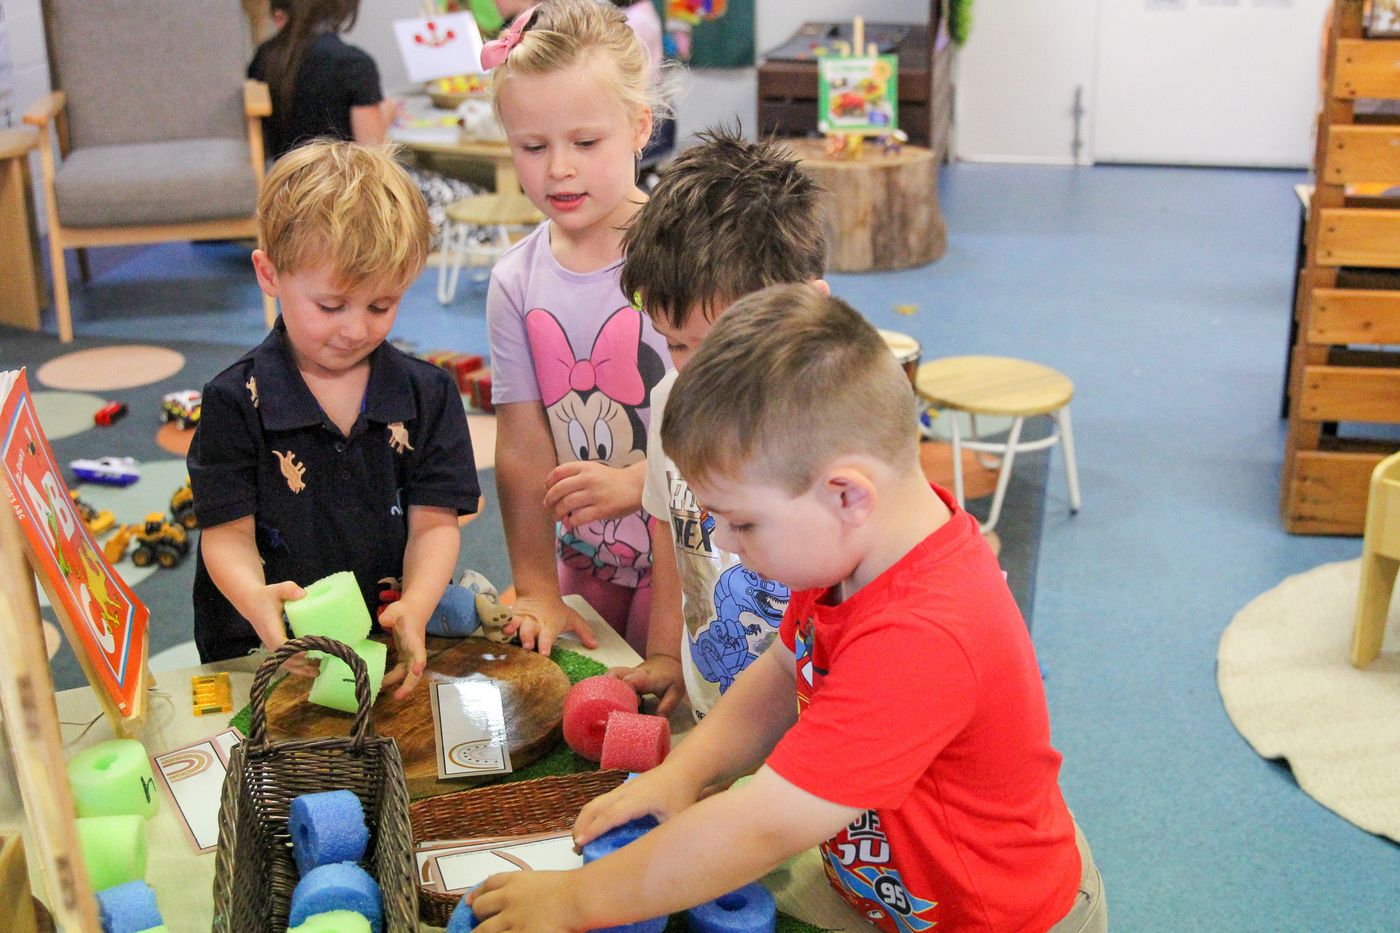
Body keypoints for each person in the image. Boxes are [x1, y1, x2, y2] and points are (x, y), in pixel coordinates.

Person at [468, 286, 1107, 933]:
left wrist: (575, 900)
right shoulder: (850, 550)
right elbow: (781, 671)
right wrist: (685, 771)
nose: (722, 539)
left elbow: (768, 823)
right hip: (884, 888)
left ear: (846, 495)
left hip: (994, 918)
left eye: (743, 521)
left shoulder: (923, 632)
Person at [188, 141, 480, 700]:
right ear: (269, 274)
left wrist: (417, 605)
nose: (355, 329)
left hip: (382, 633)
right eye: (331, 306)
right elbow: (225, 534)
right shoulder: (234, 400)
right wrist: (255, 598)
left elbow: (434, 522)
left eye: (381, 306)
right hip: (260, 643)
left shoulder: (429, 394)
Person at [604, 128, 827, 717]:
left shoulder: (833, 432)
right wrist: (665, 654)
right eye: (677, 345)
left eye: (721, 344)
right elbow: (669, 531)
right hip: (715, 716)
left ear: (809, 310)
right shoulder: (671, 401)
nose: (698, 372)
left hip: (815, 736)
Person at [484, 0, 671, 656]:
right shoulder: (516, 280)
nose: (559, 168)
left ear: (639, 126)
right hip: (587, 557)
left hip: (692, 553)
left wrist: (641, 484)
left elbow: (734, 421)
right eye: (533, 147)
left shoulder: (689, 256)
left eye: (585, 143)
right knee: (579, 692)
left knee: (672, 697)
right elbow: (521, 447)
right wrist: (536, 587)